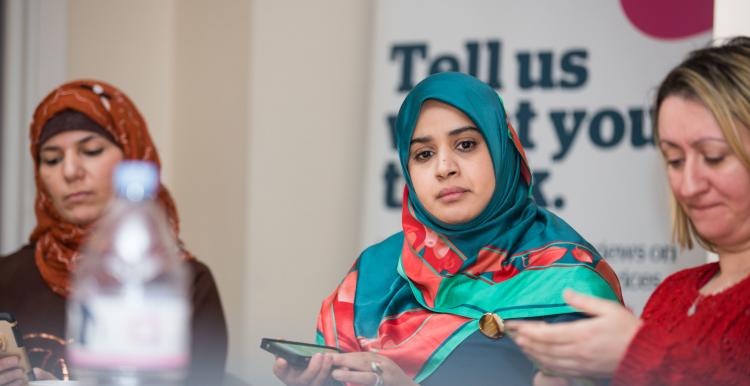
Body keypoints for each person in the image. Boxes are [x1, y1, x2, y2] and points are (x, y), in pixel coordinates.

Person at [273, 72, 622, 386]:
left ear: (503, 149)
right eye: (423, 154)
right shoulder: (372, 274)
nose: (444, 167)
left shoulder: (566, 280)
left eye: (466, 145)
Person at [507, 37, 750, 386]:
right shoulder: (673, 294)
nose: (689, 184)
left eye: (714, 156)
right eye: (675, 160)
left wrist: (637, 354)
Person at [0, 80, 228, 386]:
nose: (70, 171)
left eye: (91, 151)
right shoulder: (6, 277)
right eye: (52, 159)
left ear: (131, 158)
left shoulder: (186, 283)